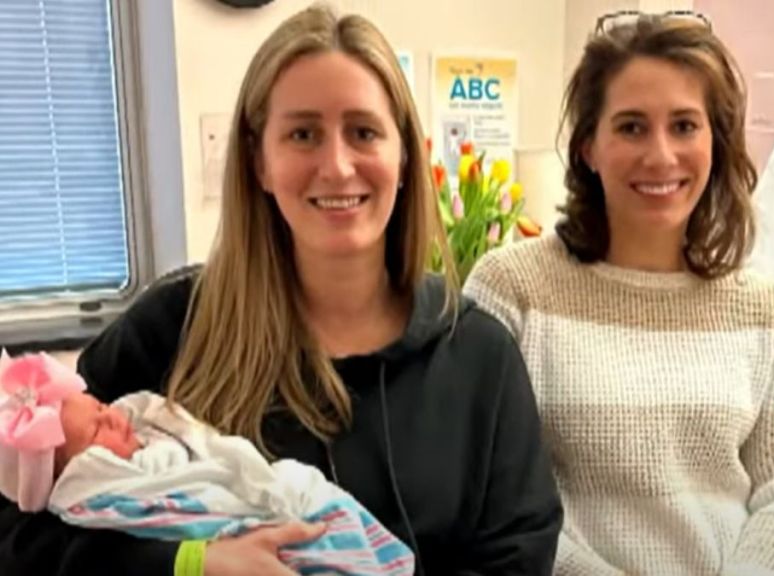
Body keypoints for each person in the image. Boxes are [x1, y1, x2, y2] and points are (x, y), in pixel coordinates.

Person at [0, 6, 561, 576]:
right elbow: (16, 537)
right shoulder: (170, 328)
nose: (337, 166)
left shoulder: (479, 357)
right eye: (303, 134)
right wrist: (190, 564)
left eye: (364, 132)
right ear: (259, 162)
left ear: (405, 155)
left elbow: (518, 555)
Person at [464, 10, 774, 576]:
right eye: (631, 127)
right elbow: (487, 499)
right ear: (588, 146)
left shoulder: (765, 312)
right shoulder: (511, 289)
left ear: (716, 140)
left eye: (684, 125)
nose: (661, 156)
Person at [0, 350, 415, 576]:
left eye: (103, 406)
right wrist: (195, 562)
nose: (112, 415)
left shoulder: (470, 355)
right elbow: (20, 536)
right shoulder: (161, 327)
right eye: (95, 431)